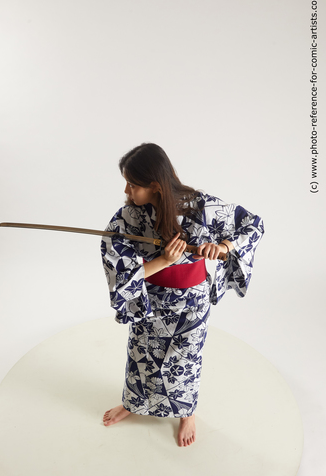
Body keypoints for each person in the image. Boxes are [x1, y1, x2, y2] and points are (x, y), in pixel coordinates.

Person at [101, 143, 264, 447]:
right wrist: (163, 260)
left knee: (186, 359)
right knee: (141, 355)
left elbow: (253, 225)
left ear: (154, 185)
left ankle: (186, 411)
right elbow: (118, 263)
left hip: (192, 302)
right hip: (151, 300)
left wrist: (224, 247)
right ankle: (133, 403)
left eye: (133, 184)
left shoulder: (202, 207)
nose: (127, 190)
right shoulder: (129, 216)